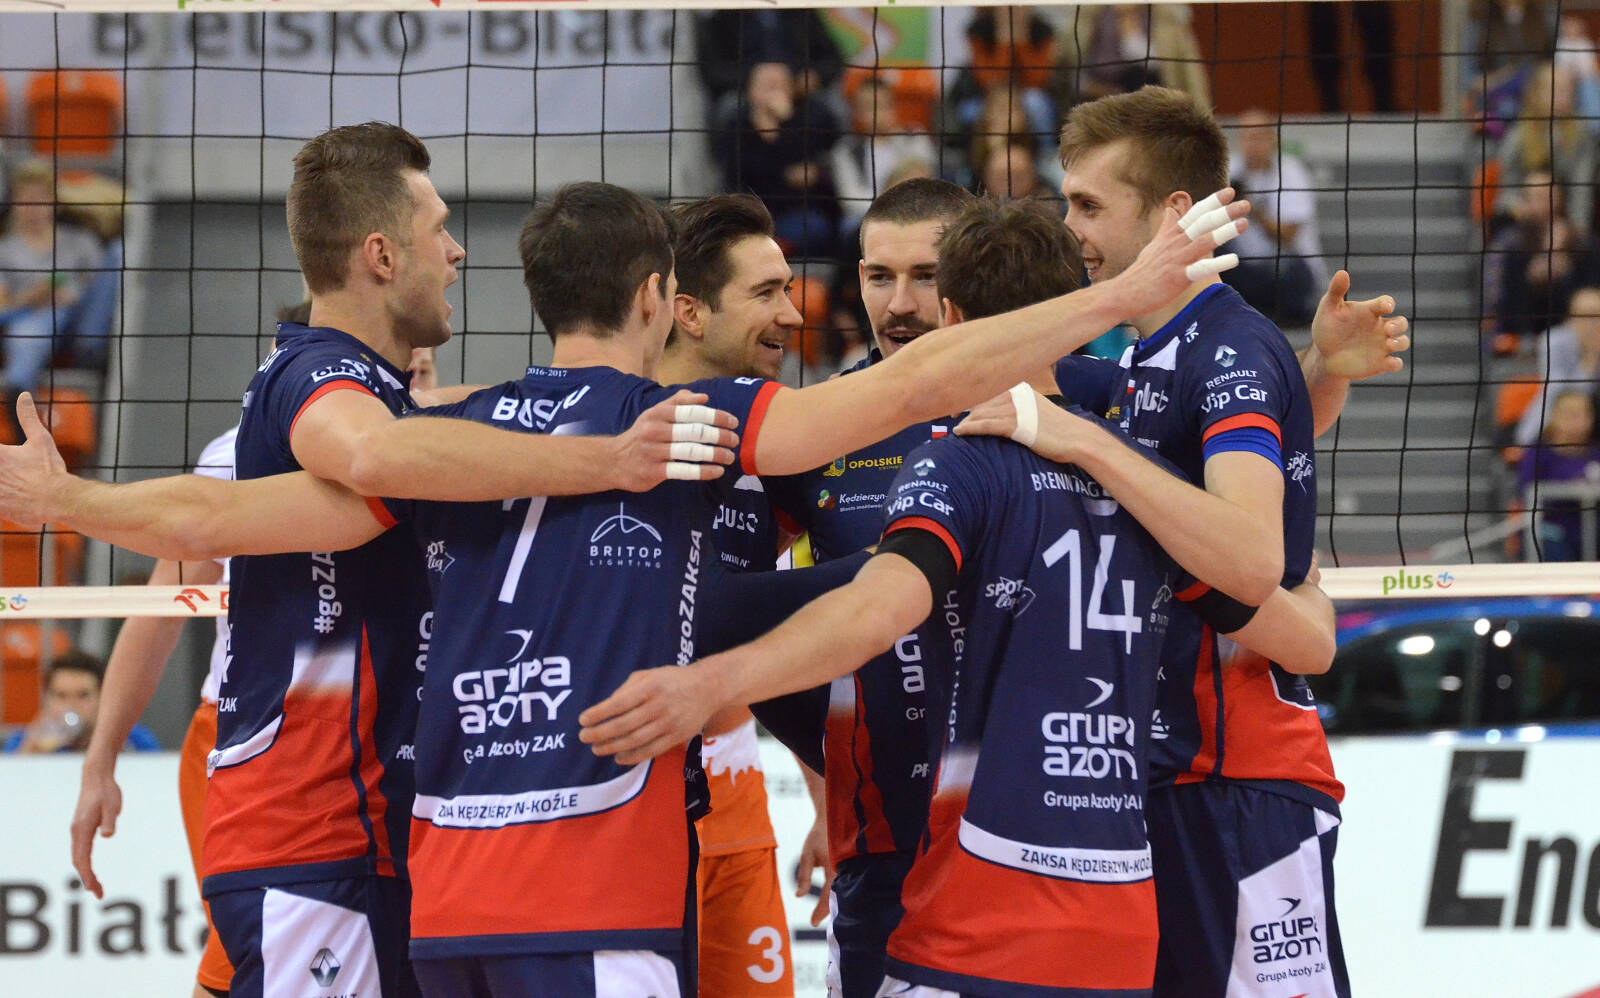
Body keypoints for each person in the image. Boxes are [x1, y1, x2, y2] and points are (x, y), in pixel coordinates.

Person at [0, 174, 1248, 998]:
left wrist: (70, 503)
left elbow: (226, 517)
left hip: (448, 909)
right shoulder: (688, 428)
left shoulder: (449, 438)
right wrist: (1117, 298)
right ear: (661, 299)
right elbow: (915, 383)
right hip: (594, 895)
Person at [14, 122, 738, 998]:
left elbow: (446, 430)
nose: (458, 252)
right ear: (382, 256)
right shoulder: (320, 378)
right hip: (311, 831)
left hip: (382, 836)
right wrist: (613, 457)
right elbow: (338, 468)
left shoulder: (397, 405)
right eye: (439, 230)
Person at [574, 195, 1339, 997]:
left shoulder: (997, 449)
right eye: (878, 276)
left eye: (922, 277)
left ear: (954, 310)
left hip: (970, 880)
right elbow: (1292, 615)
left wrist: (708, 670)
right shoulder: (1131, 466)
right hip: (1067, 878)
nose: (898, 303)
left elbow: (851, 609)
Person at [1049, 85, 1396, 998]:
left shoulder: (1227, 346)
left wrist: (1085, 445)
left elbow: (1248, 549)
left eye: (1089, 204)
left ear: (1174, 213)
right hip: (1168, 771)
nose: (1069, 226)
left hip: (1237, 776)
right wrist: (1321, 374)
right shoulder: (1148, 352)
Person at [0, 160, 120, 396]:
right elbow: (4, 306)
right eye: (25, 199)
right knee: (31, 329)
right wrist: (32, 297)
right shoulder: (4, 250)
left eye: (39, 198)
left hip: (83, 323)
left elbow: (102, 291)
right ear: (14, 202)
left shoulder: (81, 241)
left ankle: (92, 354)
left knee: (119, 252)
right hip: (34, 318)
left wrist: (72, 296)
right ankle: (18, 391)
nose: (32, 207)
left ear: (54, 201)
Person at [713, 61, 842, 258]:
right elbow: (738, 175)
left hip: (799, 212)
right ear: (751, 91)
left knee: (815, 227)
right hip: (751, 213)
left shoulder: (808, 120)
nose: (774, 93)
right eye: (768, 86)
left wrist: (786, 124)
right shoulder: (736, 125)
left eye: (780, 85)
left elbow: (811, 170)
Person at [1224, 109, 1328, 326]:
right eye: (1247, 136)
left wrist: (1249, 207)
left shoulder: (1290, 172)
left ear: (1273, 139)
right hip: (1244, 269)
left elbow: (1288, 236)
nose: (1253, 143)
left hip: (1289, 270)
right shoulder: (1229, 170)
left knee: (1290, 278)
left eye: (1259, 136)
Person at [4, 651, 159, 754]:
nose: (72, 705)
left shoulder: (135, 739)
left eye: (83, 695)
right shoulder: (23, 741)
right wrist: (28, 754)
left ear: (102, 698)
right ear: (47, 699)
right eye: (61, 696)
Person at [1515, 285, 1600, 446]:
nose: (1592, 323)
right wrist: (1591, 358)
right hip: (1555, 418)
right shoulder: (1554, 340)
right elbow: (1560, 393)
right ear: (1571, 317)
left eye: (1596, 316)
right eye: (1585, 315)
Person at [1520, 389, 1600, 560]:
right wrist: (1569, 488)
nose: (1578, 421)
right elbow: (1526, 492)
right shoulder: (1538, 452)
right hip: (1552, 528)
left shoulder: (1596, 452)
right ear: (1554, 416)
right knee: (1547, 538)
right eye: (1571, 414)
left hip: (1592, 529)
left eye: (1584, 414)